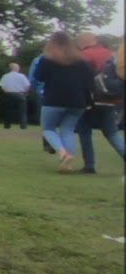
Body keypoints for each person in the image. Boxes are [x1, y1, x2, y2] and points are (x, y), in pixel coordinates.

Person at [32, 31, 94, 173]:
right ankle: (68, 161)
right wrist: (88, 101)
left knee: (48, 129)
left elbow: (39, 77)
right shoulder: (81, 61)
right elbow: (88, 83)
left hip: (53, 100)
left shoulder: (46, 59)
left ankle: (62, 152)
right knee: (67, 131)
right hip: (77, 102)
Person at [73, 32, 125, 174]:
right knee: (112, 133)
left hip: (91, 99)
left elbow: (81, 80)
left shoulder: (84, 56)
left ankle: (89, 165)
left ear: (82, 42)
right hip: (111, 99)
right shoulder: (110, 54)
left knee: (84, 132)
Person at [28, 54, 53, 152]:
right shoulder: (67, 57)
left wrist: (37, 90)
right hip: (63, 92)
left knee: (46, 118)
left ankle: (48, 143)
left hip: (44, 92)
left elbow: (32, 78)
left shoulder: (38, 60)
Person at [0, 62, 30, 129]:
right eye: (18, 67)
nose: (19, 68)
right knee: (22, 111)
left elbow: (2, 86)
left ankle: (7, 126)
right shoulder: (22, 76)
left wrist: (6, 92)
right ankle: (23, 126)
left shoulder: (5, 76)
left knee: (8, 111)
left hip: (9, 94)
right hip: (20, 94)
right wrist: (25, 93)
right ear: (15, 68)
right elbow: (27, 85)